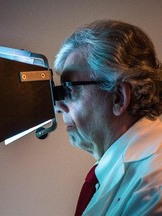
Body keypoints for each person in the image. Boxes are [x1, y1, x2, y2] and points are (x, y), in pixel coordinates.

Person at [54, 19, 162, 215]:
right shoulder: (112, 170)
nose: (58, 106)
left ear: (119, 97)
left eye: (69, 89)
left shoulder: (154, 183)